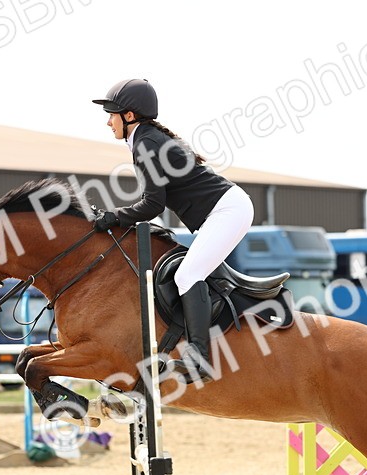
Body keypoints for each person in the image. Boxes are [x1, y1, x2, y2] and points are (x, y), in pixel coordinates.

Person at [91, 78, 254, 384]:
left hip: (227, 211)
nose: (107, 121)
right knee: (197, 273)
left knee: (187, 275)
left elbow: (153, 205)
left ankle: (201, 361)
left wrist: (114, 217)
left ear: (129, 116)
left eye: (111, 114)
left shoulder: (145, 143)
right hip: (226, 210)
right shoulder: (145, 138)